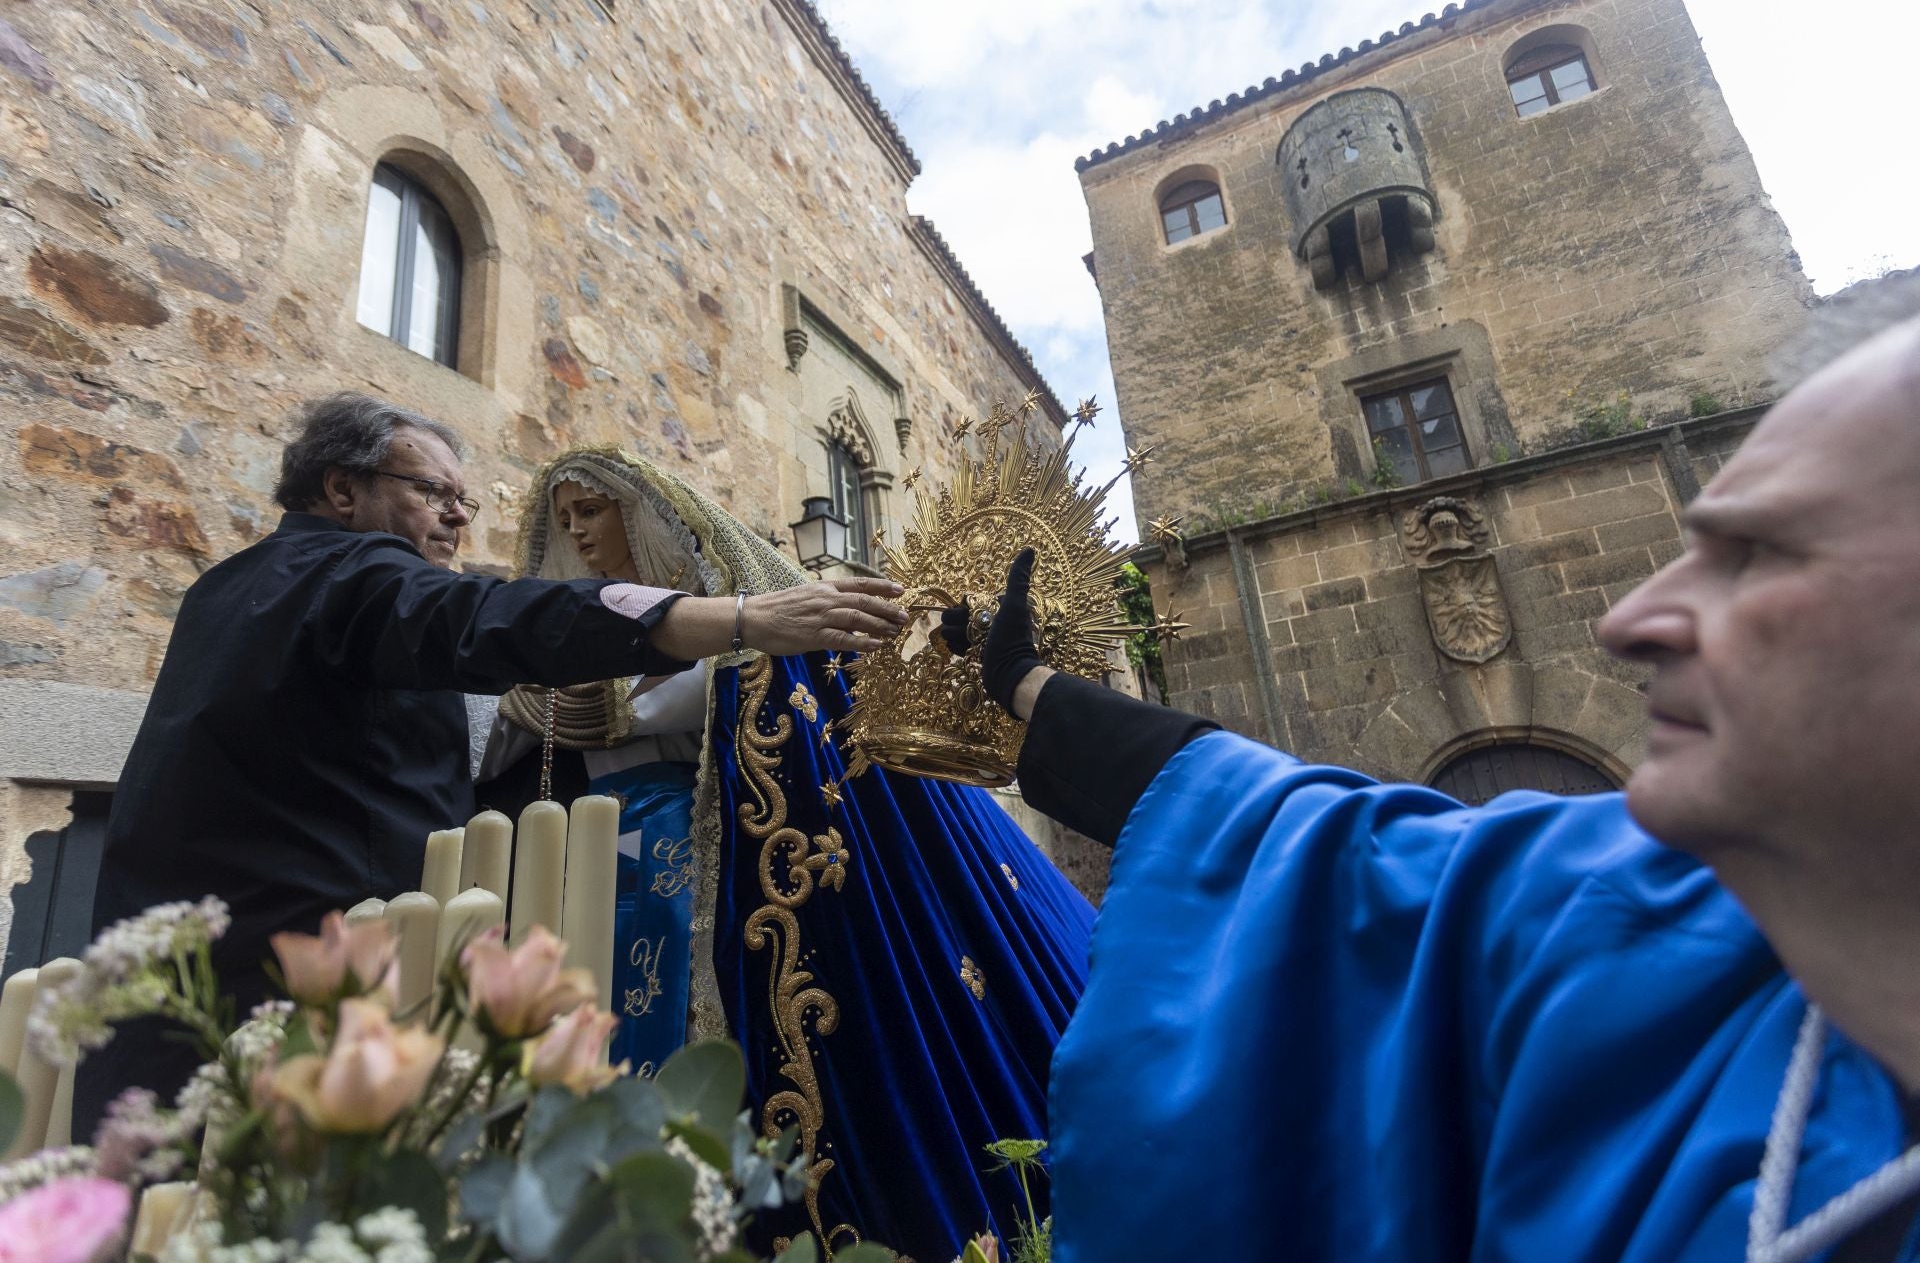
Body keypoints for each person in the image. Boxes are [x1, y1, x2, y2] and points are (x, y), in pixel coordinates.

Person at [946, 313, 1920, 1263]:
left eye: (1758, 553)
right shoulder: (1643, 908)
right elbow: (1342, 863)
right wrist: (1034, 689)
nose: (1633, 617)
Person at [77, 393, 907, 1138]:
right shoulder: (358, 575)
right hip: (319, 979)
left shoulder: (225, 587)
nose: (456, 518)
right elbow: (488, 619)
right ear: (342, 490)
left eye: (464, 500)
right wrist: (734, 616)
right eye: (433, 493)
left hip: (182, 993)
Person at [476, 445, 1095, 1260]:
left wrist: (734, 649)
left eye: (591, 511)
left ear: (643, 514)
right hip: (605, 871)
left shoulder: (734, 628)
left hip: (699, 868)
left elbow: (758, 687)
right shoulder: (571, 670)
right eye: (565, 521)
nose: (579, 532)